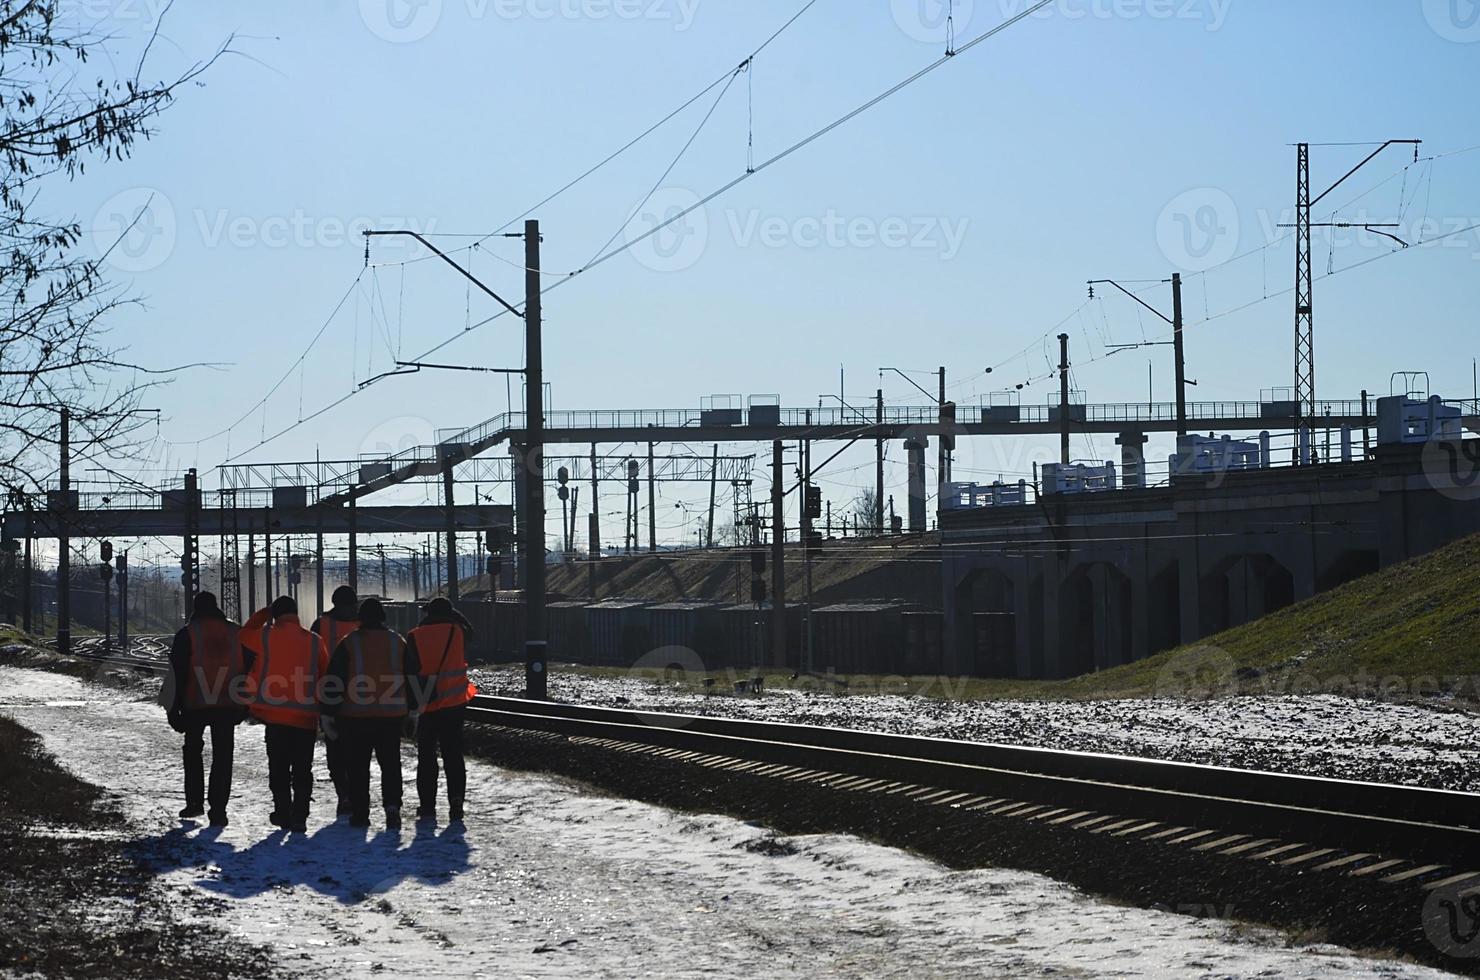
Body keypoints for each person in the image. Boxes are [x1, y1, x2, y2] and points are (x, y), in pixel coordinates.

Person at [321, 597, 422, 829]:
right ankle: (393, 808)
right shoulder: (398, 641)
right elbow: (413, 677)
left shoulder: (349, 643)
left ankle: (360, 813)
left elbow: (334, 681)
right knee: (391, 764)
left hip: (355, 716)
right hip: (391, 716)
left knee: (357, 767)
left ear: (361, 619)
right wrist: (414, 711)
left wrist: (328, 714)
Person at [241, 596, 329, 833]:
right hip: (306, 717)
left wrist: (263, 613)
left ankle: (282, 812)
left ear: (275, 614)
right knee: (302, 769)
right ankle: (300, 815)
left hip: (276, 716)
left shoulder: (265, 635)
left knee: (278, 768)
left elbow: (245, 632)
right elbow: (325, 674)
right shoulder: (314, 641)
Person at [166, 592, 247, 828]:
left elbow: (176, 674)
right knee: (223, 756)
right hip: (227, 703)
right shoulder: (235, 632)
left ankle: (194, 803)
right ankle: (219, 810)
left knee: (192, 752)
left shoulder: (187, 634)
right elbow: (249, 666)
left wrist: (173, 710)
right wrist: (246, 703)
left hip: (195, 703)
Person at [407, 597, 478, 824]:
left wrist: (411, 708)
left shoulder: (414, 635)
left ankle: (427, 807)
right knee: (453, 755)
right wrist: (454, 613)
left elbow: (409, 671)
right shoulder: (458, 631)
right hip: (454, 704)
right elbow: (472, 632)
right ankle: (456, 803)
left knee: (426, 757)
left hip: (427, 703)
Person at [312, 585, 360, 817]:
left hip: (329, 697)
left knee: (335, 751)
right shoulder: (364, 624)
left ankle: (344, 795)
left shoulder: (321, 624)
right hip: (364, 697)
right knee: (359, 752)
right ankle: (357, 795)